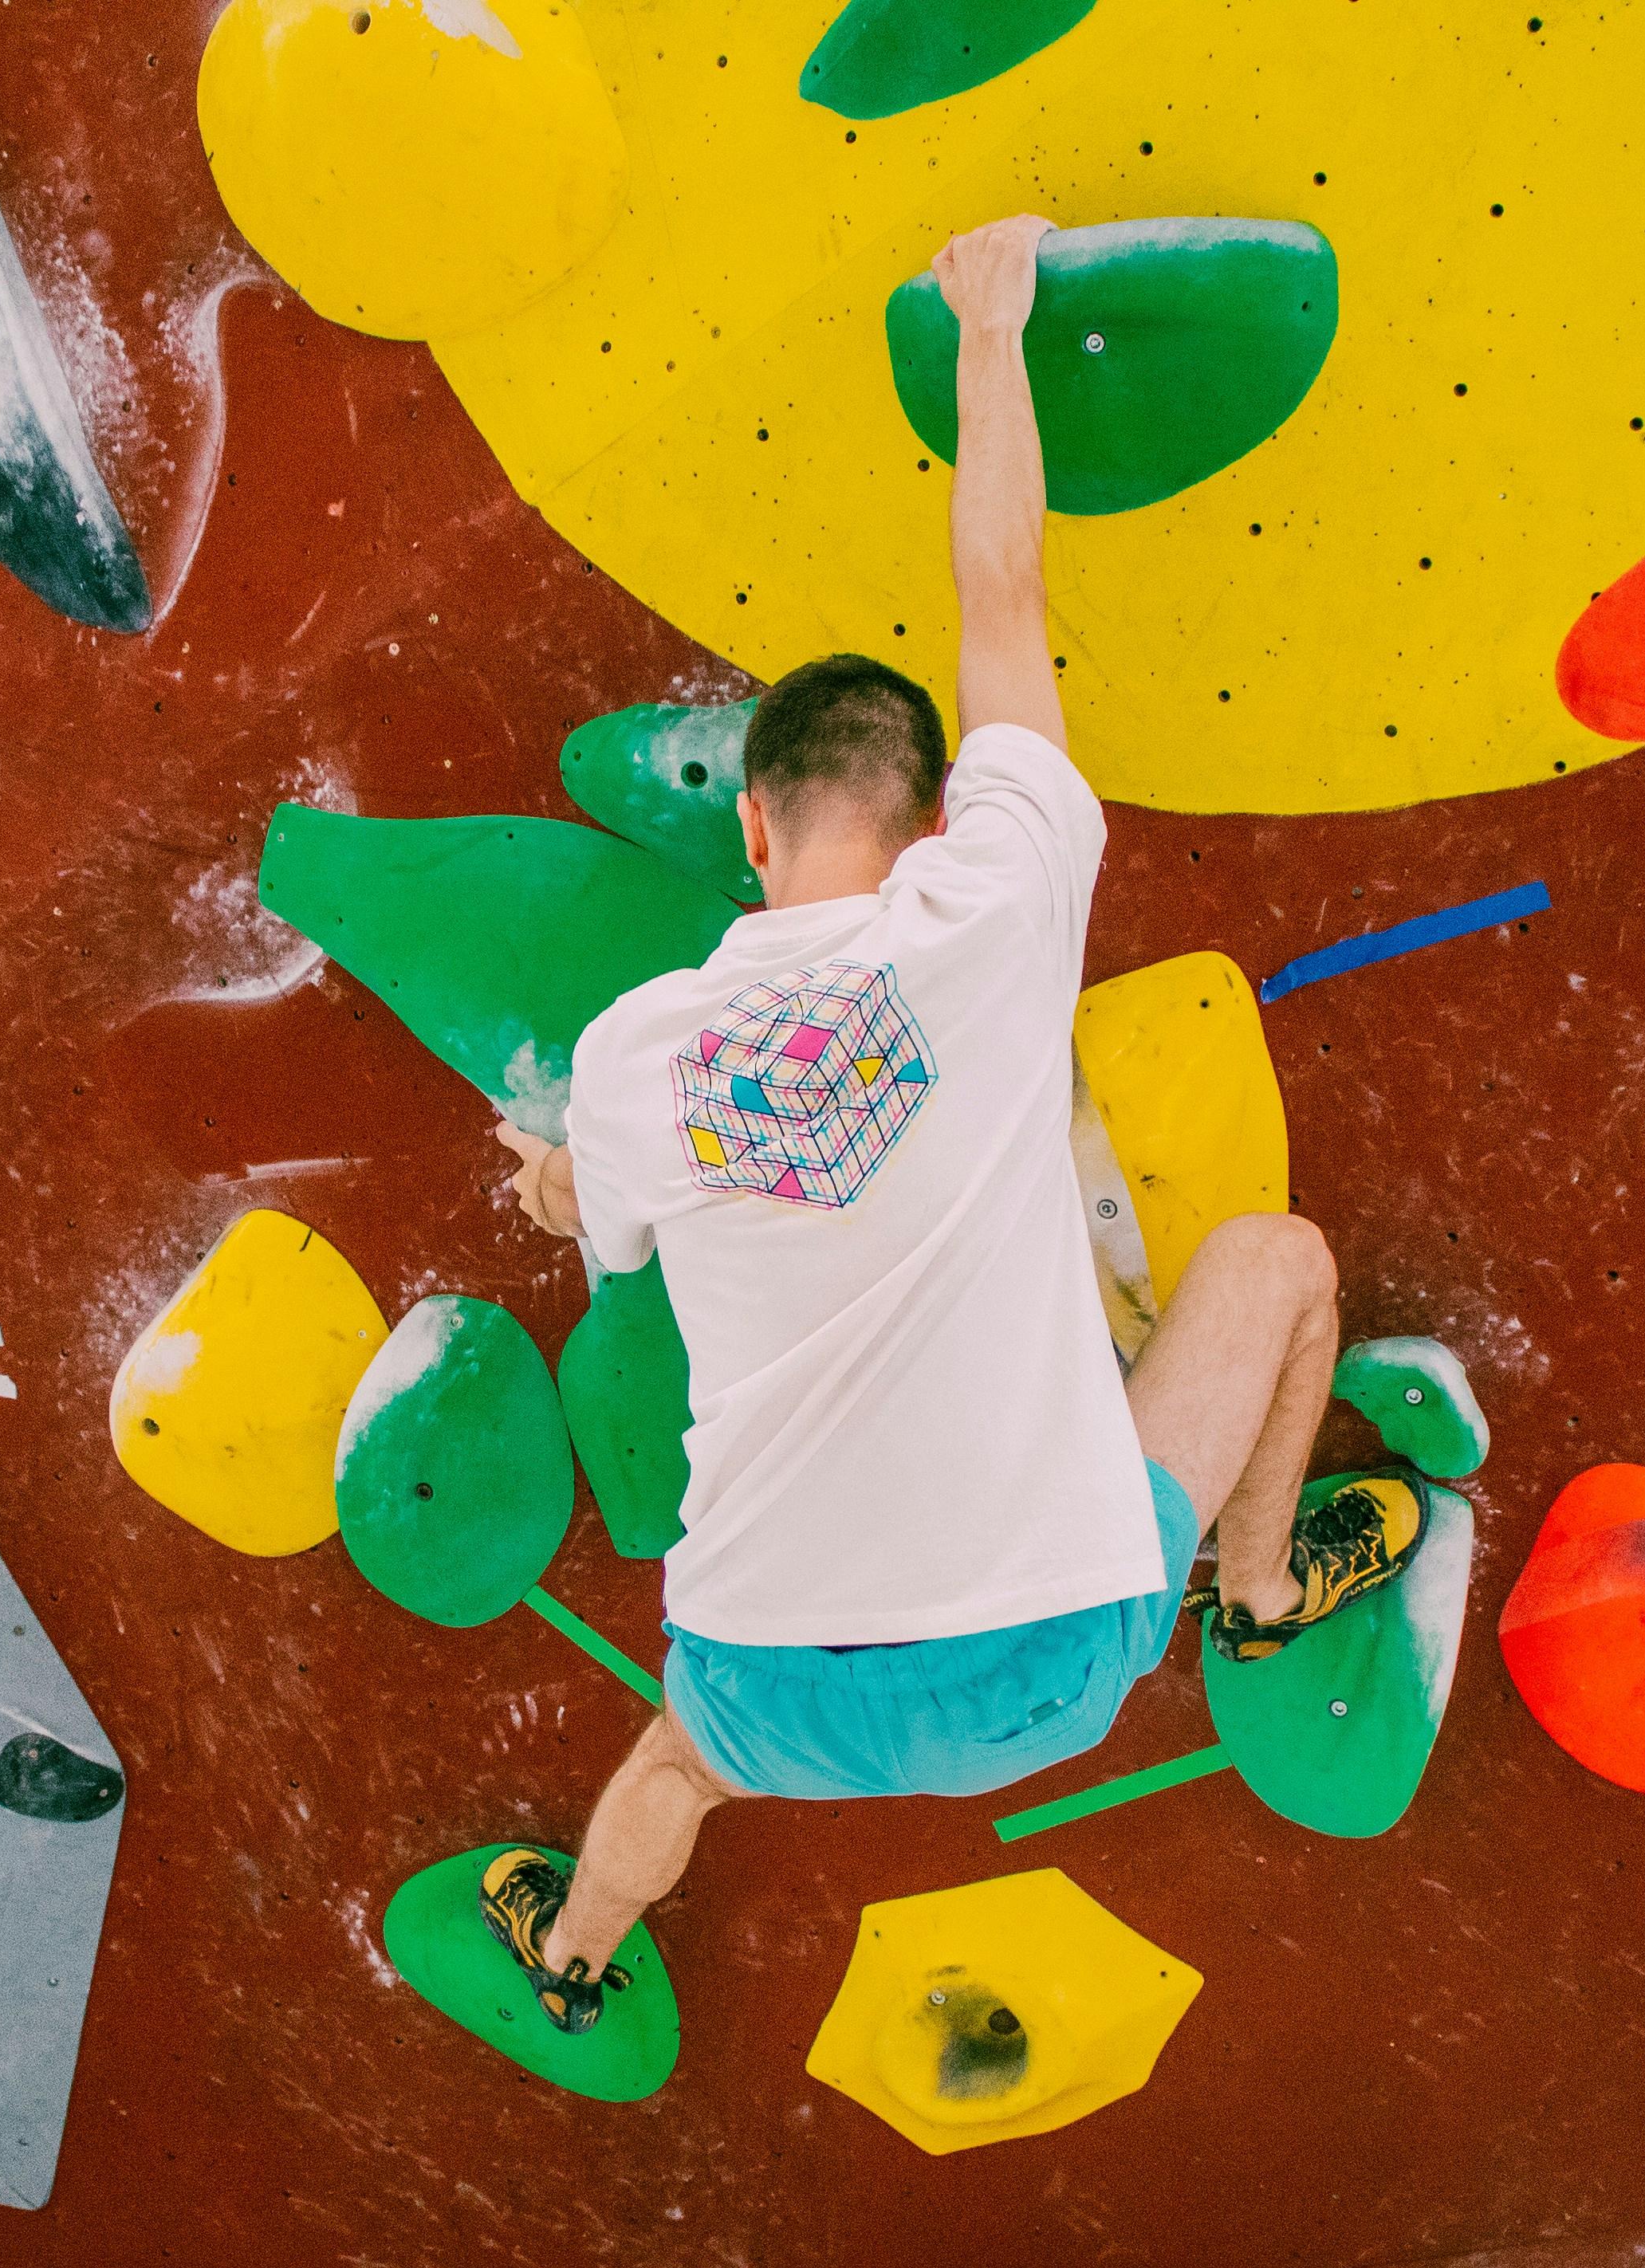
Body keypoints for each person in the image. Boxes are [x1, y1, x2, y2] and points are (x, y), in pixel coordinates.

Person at [475, 214, 1435, 2032]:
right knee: (1282, 1267)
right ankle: (1252, 1587)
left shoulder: (637, 1058)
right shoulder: (998, 904)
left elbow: (575, 1215)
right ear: (933, 825)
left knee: (672, 1771)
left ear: (750, 834)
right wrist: (994, 323)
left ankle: (577, 1955)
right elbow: (1006, 600)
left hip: (772, 1684)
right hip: (1055, 1667)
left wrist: (559, 1175)